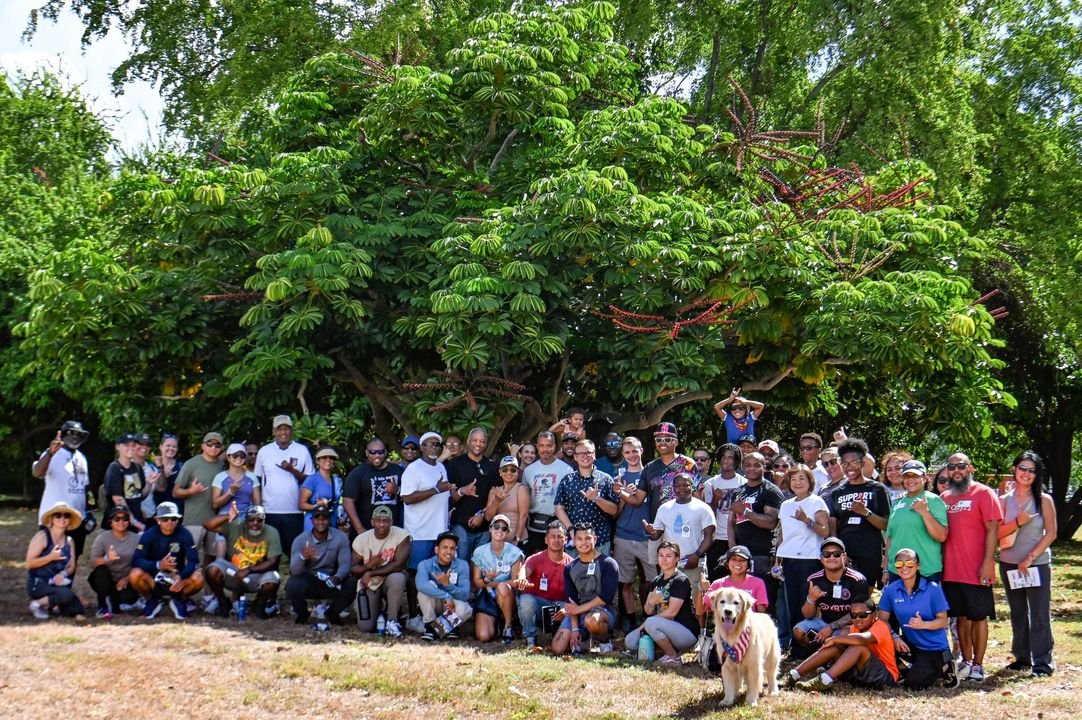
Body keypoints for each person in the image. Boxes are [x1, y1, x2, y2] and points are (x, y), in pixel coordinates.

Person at [940, 451, 1002, 682]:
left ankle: (978, 664)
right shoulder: (944, 498)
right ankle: (965, 660)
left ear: (970, 469)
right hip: (951, 570)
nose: (956, 470)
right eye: (952, 466)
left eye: (961, 466)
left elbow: (993, 529)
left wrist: (988, 562)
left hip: (977, 569)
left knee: (978, 617)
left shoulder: (984, 493)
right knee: (960, 618)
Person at [998, 451, 1057, 677]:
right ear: (1014, 469)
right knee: (1018, 611)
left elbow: (1051, 533)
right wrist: (1017, 522)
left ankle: (1042, 663)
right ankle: (1022, 657)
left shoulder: (1044, 500)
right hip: (1009, 564)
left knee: (1039, 613)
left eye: (1032, 470)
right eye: (1022, 468)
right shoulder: (1003, 501)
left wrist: (1030, 558)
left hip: (1037, 564)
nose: (1026, 474)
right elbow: (996, 534)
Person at [878, 548, 956, 689]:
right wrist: (894, 637)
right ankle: (905, 670)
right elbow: (881, 621)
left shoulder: (932, 588)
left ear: (918, 566)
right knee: (876, 643)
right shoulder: (891, 590)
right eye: (899, 564)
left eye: (909, 563)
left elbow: (943, 621)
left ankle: (946, 667)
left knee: (913, 685)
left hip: (934, 648)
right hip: (910, 645)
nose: (904, 567)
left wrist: (923, 624)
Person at [401, 431, 453, 629]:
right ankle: (413, 616)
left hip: (439, 533)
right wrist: (436, 490)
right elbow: (406, 497)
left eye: (437, 445)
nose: (434, 448)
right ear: (422, 447)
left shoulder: (441, 467)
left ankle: (430, 616)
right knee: (416, 575)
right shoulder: (414, 469)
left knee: (435, 575)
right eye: (429, 444)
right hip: (419, 532)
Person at [775, 465, 830, 648]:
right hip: (788, 558)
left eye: (802, 478)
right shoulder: (785, 505)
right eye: (793, 479)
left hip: (809, 559)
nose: (797, 483)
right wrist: (778, 555)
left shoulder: (817, 502)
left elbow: (825, 531)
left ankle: (808, 645)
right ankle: (794, 644)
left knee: (806, 602)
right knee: (790, 603)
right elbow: (783, 533)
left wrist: (807, 520)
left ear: (810, 481)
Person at [791, 597, 899, 692]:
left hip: (885, 678)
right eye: (854, 615)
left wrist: (835, 639)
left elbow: (861, 640)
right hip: (859, 675)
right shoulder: (854, 627)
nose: (858, 619)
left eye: (863, 615)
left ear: (875, 614)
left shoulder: (881, 626)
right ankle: (793, 674)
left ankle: (825, 680)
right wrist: (833, 642)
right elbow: (845, 640)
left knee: (857, 647)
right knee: (835, 647)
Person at [824, 438, 890, 584]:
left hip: (870, 553)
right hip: (845, 554)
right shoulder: (836, 493)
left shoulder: (877, 489)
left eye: (853, 462)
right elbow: (833, 527)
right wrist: (838, 553)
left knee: (863, 600)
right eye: (845, 463)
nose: (849, 467)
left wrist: (865, 512)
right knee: (844, 598)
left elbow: (886, 525)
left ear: (862, 462)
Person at [625, 541, 700, 666]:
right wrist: (651, 603)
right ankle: (661, 651)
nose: (664, 560)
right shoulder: (657, 580)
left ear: (677, 558)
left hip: (686, 631)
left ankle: (673, 657)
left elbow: (672, 612)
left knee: (650, 623)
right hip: (663, 626)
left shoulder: (680, 580)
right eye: (661, 555)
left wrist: (644, 625)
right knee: (630, 642)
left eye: (669, 556)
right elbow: (648, 610)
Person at [203, 504, 283, 619]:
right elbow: (207, 525)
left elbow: (273, 561)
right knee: (212, 569)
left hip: (256, 574)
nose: (255, 523)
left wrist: (249, 570)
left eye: (259, 520)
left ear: (264, 520)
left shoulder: (272, 532)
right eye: (251, 520)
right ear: (246, 520)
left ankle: (260, 606)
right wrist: (227, 516)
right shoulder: (235, 527)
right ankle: (223, 602)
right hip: (234, 572)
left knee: (274, 577)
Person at [254, 414, 314, 563]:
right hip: (270, 511)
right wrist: (258, 507)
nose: (283, 432)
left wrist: (292, 470)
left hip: (294, 511)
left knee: (294, 550)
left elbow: (310, 481)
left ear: (291, 430)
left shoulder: (302, 450)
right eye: (279, 429)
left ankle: (296, 583)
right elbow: (257, 480)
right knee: (270, 554)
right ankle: (270, 582)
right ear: (274, 431)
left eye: (286, 429)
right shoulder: (264, 451)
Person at [552, 523, 620, 655]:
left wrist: (578, 610)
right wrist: (575, 629)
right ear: (574, 541)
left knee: (592, 620)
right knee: (558, 648)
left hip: (602, 611)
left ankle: (605, 642)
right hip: (579, 612)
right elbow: (571, 601)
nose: (584, 542)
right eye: (579, 539)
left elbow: (605, 598)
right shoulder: (570, 568)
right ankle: (586, 637)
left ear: (595, 539)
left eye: (588, 538)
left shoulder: (608, 563)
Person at [792, 537, 870, 652]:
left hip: (851, 624)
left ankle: (834, 661)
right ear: (821, 558)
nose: (832, 557)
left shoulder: (857, 580)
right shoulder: (813, 580)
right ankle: (819, 656)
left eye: (837, 554)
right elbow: (808, 616)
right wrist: (811, 599)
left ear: (844, 557)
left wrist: (831, 627)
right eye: (827, 554)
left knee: (841, 637)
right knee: (799, 631)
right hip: (824, 622)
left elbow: (858, 614)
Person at [728, 451, 782, 612]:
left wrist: (746, 512)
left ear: (764, 467)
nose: (752, 469)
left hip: (762, 555)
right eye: (748, 465)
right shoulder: (739, 491)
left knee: (761, 603)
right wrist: (732, 548)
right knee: (740, 602)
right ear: (743, 467)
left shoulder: (770, 490)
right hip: (740, 555)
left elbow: (771, 522)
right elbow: (731, 522)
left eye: (756, 465)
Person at [130, 501, 204, 620]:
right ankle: (153, 600)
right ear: (157, 520)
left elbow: (193, 561)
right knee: (135, 574)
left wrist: (180, 576)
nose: (170, 522)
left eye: (173, 518)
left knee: (198, 578)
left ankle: (178, 599)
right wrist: (159, 565)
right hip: (153, 578)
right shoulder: (149, 534)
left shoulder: (185, 534)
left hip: (176, 579)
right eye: (165, 519)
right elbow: (137, 560)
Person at [643, 473, 715, 593]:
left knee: (695, 602)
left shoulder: (703, 508)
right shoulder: (664, 508)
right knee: (667, 601)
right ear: (673, 488)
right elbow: (657, 534)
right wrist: (650, 532)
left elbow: (710, 536)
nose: (682, 488)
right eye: (678, 486)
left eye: (686, 485)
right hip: (670, 565)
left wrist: (696, 555)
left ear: (692, 486)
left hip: (693, 563)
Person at [611, 436, 654, 632]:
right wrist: (622, 494)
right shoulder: (618, 478)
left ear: (642, 451)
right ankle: (630, 620)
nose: (631, 456)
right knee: (625, 581)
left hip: (647, 536)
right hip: (624, 535)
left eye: (634, 451)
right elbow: (616, 512)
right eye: (627, 452)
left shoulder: (651, 474)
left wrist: (632, 495)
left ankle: (650, 616)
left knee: (652, 581)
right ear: (623, 455)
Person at [286, 505, 356, 625]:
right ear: (311, 521)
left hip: (332, 579)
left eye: (324, 519)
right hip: (310, 580)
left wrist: (338, 577)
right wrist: (303, 557)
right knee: (292, 583)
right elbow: (294, 570)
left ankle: (332, 613)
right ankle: (302, 613)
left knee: (352, 582)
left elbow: (345, 563)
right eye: (317, 519)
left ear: (329, 520)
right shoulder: (301, 540)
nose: (320, 522)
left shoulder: (340, 537)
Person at [32, 420, 93, 559]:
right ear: (63, 435)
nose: (75, 437)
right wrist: (49, 453)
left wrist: (87, 511)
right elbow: (37, 472)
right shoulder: (53, 455)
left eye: (78, 434)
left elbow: (84, 486)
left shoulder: (81, 457)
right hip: (55, 518)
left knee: (72, 560)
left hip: (76, 520)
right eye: (71, 433)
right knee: (52, 560)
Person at [884, 460, 948, 585]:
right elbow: (891, 538)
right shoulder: (897, 503)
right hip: (897, 571)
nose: (910, 480)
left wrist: (925, 512)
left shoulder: (933, 500)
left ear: (924, 478)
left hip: (925, 571)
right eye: (907, 476)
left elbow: (942, 536)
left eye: (915, 476)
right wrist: (886, 569)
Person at [351, 505, 411, 637]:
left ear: (391, 522)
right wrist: (369, 566)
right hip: (371, 582)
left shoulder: (402, 535)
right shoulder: (361, 540)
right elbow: (353, 568)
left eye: (385, 521)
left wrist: (371, 572)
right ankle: (380, 610)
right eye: (378, 520)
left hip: (389, 577)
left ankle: (392, 621)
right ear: (372, 522)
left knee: (398, 578)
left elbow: (398, 565)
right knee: (365, 627)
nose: (382, 524)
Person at [515, 521, 574, 650]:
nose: (556, 540)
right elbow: (525, 569)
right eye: (552, 536)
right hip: (539, 604)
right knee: (525, 600)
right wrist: (522, 578)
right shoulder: (536, 558)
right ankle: (530, 638)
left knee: (573, 609)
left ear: (565, 540)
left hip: (560, 607)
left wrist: (568, 609)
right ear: (546, 539)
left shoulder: (572, 564)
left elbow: (577, 595)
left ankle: (563, 637)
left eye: (560, 536)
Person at [554, 439, 618, 554]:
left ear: (594, 455)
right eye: (580, 453)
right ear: (575, 457)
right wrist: (570, 529)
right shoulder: (566, 480)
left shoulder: (606, 479)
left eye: (588, 452)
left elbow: (614, 511)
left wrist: (596, 499)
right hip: (574, 541)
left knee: (600, 572)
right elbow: (559, 508)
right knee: (574, 572)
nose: (585, 456)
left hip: (600, 541)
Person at [26, 501, 86, 620]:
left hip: (58, 583)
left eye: (66, 516)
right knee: (66, 594)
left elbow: (71, 566)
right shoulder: (42, 537)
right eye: (58, 515)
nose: (62, 519)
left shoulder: (69, 541)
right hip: (38, 583)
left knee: (77, 609)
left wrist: (62, 574)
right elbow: (29, 563)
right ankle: (36, 604)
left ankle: (50, 604)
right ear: (52, 519)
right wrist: (50, 557)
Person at [173, 431, 226, 564]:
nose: (213, 448)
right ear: (203, 446)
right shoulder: (191, 464)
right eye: (210, 444)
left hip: (215, 521)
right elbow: (175, 492)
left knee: (212, 560)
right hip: (193, 520)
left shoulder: (223, 466)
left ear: (222, 448)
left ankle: (208, 586)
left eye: (217, 445)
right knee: (188, 559)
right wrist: (191, 491)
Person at [471, 513, 524, 643]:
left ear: (507, 532)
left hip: (507, 594)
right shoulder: (479, 551)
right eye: (496, 526)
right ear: (490, 529)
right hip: (486, 596)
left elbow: (515, 582)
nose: (500, 530)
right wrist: (488, 580)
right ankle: (496, 623)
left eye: (504, 528)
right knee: (484, 636)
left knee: (503, 587)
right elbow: (476, 582)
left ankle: (507, 625)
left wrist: (492, 583)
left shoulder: (515, 552)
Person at [446, 427, 497, 560]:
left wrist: (482, 514)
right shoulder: (454, 465)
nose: (478, 444)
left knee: (480, 567)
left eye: (481, 441)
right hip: (460, 525)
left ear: (486, 444)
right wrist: (462, 491)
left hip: (484, 526)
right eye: (475, 440)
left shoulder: (492, 467)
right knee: (461, 565)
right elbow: (448, 499)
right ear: (468, 442)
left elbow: (495, 496)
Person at [521, 431, 573, 553]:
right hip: (533, 526)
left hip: (557, 526)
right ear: (537, 447)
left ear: (554, 446)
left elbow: (570, 500)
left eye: (549, 445)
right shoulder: (529, 471)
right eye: (542, 445)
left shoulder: (566, 469)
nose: (545, 449)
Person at [416, 532, 473, 640]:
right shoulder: (425, 564)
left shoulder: (462, 565)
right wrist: (446, 595)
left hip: (450, 608)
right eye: (445, 547)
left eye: (452, 548)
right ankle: (431, 624)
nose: (449, 552)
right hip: (435, 605)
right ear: (436, 550)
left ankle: (436, 630)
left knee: (466, 609)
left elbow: (465, 594)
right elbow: (421, 585)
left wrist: (447, 585)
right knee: (428, 586)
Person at [87, 505, 141, 618]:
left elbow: (141, 562)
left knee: (130, 597)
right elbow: (93, 562)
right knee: (101, 570)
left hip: (125, 581)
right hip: (106, 579)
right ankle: (103, 606)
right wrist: (107, 559)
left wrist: (127, 578)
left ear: (129, 521)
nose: (121, 522)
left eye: (125, 518)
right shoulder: (102, 538)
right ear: (110, 522)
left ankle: (114, 603)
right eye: (117, 519)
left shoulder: (137, 539)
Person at [342, 437, 403, 533]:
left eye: (380, 452)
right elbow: (347, 501)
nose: (377, 455)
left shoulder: (398, 471)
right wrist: (359, 528)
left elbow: (409, 497)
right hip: (366, 530)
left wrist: (397, 490)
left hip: (394, 531)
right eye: (372, 452)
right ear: (366, 453)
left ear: (386, 452)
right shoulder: (358, 473)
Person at [642, 422, 698, 520]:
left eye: (667, 439)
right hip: (658, 525)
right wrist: (620, 491)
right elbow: (639, 497)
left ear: (676, 442)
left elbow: (698, 496)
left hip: (685, 522)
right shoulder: (649, 467)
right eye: (658, 439)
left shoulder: (688, 464)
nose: (662, 443)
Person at [702, 443, 745, 569]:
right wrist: (715, 499)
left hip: (739, 537)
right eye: (724, 457)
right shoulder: (711, 483)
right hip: (718, 538)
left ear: (736, 460)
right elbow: (707, 514)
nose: (726, 460)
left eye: (730, 457)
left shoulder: (744, 483)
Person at [103, 433, 148, 531]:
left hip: (136, 520)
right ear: (117, 447)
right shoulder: (114, 468)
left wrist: (150, 483)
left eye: (133, 445)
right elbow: (118, 499)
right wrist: (134, 522)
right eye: (127, 445)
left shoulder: (137, 468)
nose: (131, 448)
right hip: (119, 522)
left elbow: (140, 495)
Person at [704, 545, 768, 612]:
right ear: (727, 563)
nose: (737, 563)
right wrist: (700, 589)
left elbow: (761, 614)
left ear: (748, 564)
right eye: (733, 559)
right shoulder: (718, 584)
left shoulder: (758, 583)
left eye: (742, 560)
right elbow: (701, 610)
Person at [485, 456, 531, 545]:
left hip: (517, 540)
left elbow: (523, 516)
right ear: (500, 472)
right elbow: (488, 517)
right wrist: (497, 501)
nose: (509, 472)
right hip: (498, 539)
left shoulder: (521, 489)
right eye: (505, 470)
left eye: (513, 470)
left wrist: (516, 539)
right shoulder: (494, 491)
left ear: (517, 472)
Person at [300, 446, 345, 532]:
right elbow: (301, 504)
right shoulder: (312, 479)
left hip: (331, 521)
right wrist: (316, 506)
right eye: (324, 457)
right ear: (318, 461)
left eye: (331, 458)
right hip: (314, 522)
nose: (328, 460)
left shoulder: (337, 480)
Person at [211, 443, 261, 516]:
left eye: (242, 456)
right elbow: (215, 505)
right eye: (235, 455)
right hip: (225, 517)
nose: (239, 458)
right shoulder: (220, 477)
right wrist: (231, 492)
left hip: (247, 517)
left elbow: (257, 504)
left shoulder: (252, 477)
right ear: (228, 457)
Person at [152, 433, 184, 509]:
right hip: (157, 511)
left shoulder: (182, 466)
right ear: (161, 447)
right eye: (168, 446)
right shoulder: (152, 467)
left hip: (177, 511)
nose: (171, 449)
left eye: (174, 446)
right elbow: (157, 488)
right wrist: (163, 473)